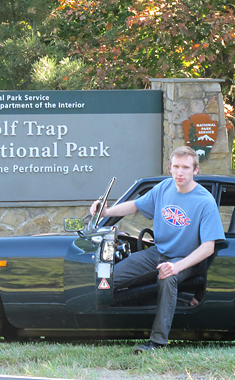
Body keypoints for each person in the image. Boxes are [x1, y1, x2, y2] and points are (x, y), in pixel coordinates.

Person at [90, 146, 225, 352]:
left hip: (186, 258)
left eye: (186, 168)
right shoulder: (163, 188)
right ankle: (88, 324)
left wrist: (177, 267)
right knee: (107, 278)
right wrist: (107, 211)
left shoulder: (204, 201)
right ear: (170, 167)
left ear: (195, 171)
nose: (180, 172)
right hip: (157, 253)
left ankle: (157, 341)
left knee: (167, 277)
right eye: (177, 167)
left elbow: (208, 247)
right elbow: (135, 205)